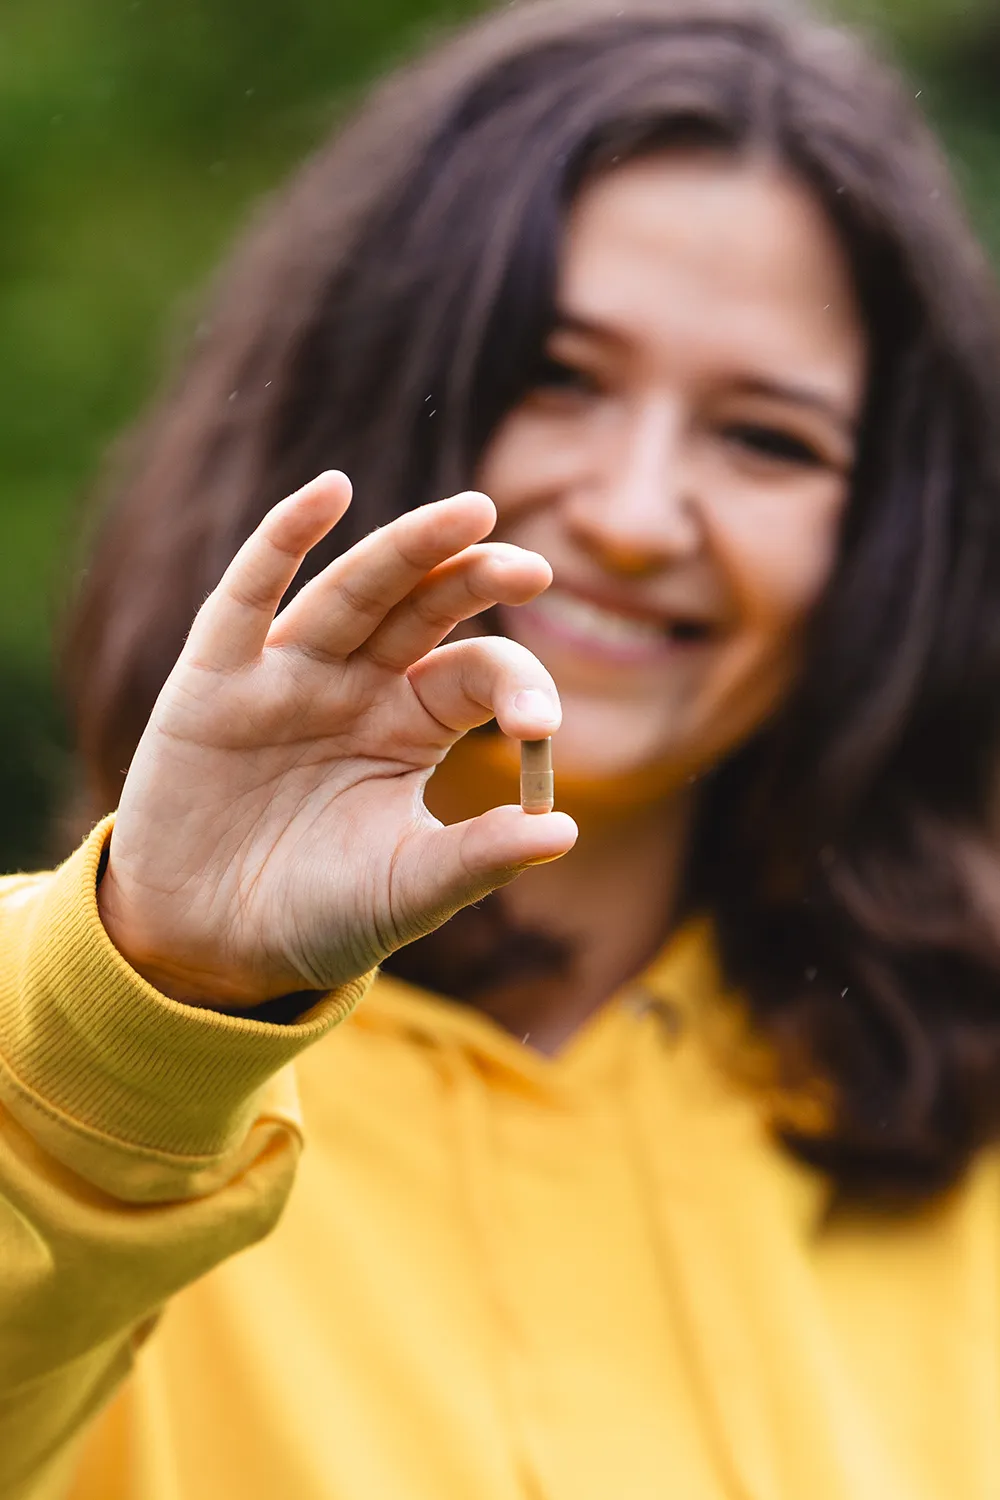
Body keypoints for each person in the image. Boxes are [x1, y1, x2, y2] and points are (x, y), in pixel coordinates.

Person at [4, 0, 1000, 1493]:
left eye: (768, 439)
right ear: (358, 394)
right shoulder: (86, 1076)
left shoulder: (957, 1138)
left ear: (888, 548)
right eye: (560, 377)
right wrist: (161, 1000)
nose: (633, 514)